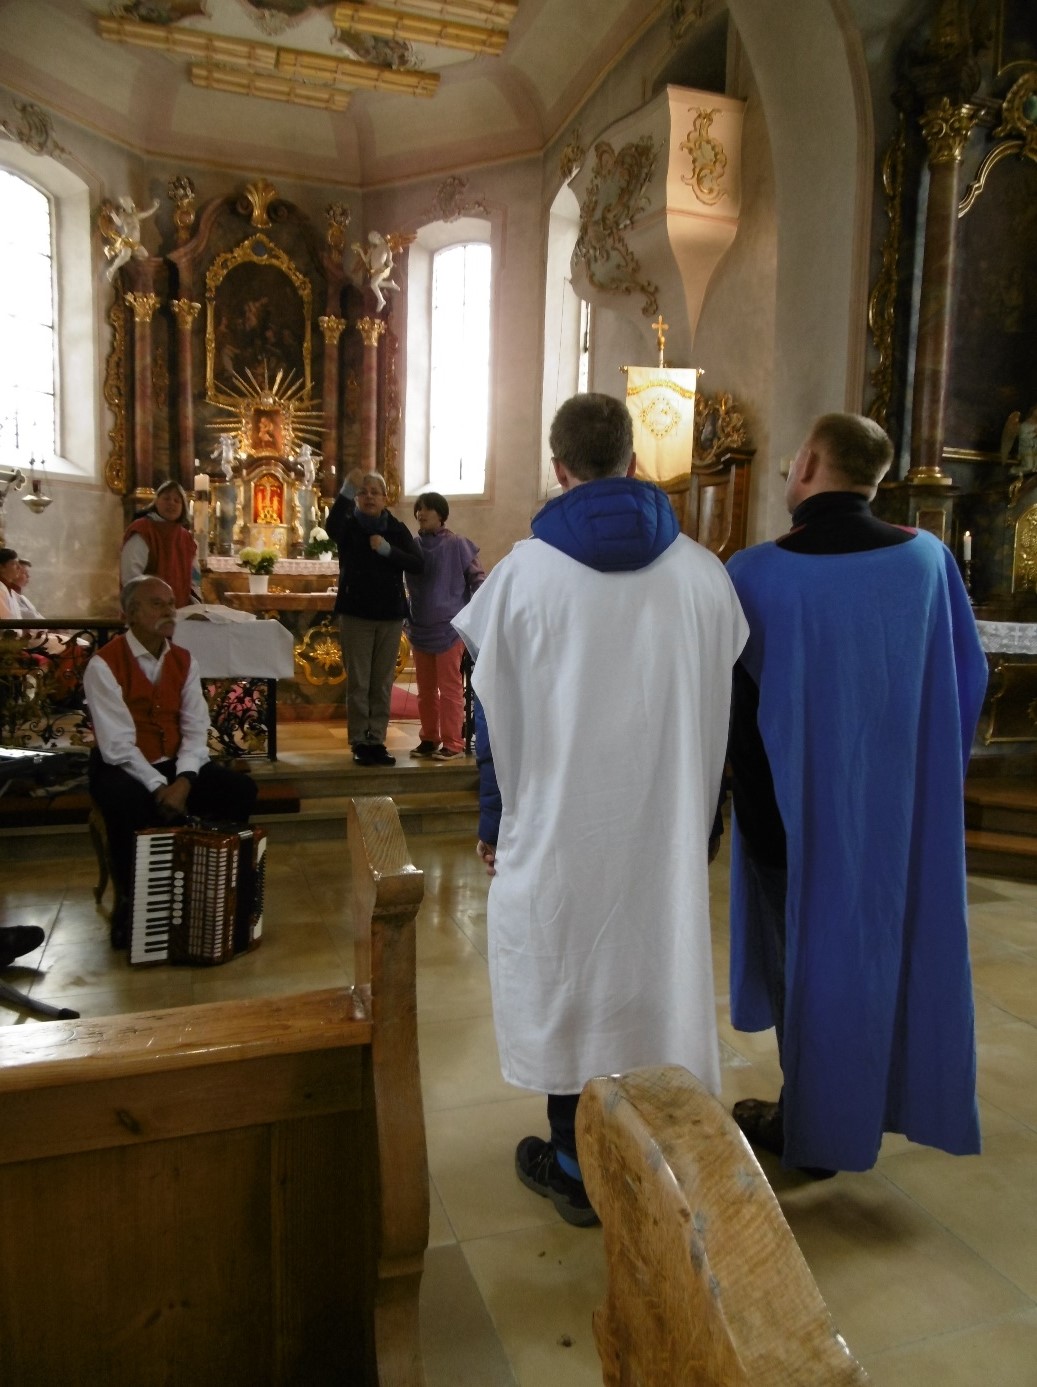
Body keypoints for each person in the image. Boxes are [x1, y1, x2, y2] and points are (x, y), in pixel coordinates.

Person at [452, 392, 747, 1226]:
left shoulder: (521, 577)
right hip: (663, 825)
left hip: (558, 826)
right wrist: (708, 816)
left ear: (559, 468)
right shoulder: (703, 571)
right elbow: (723, 705)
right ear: (632, 461)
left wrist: (493, 820)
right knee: (652, 972)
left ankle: (575, 1164)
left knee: (569, 972)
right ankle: (653, 1151)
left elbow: (487, 714)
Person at [725, 412, 988, 1178]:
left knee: (804, 967)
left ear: (808, 462)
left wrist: (746, 812)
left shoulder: (754, 572)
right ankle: (868, 1102)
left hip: (786, 819)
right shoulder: (927, 561)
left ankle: (810, 1123)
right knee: (879, 955)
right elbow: (964, 681)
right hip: (898, 817)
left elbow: (733, 712)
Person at [84, 575, 258, 948]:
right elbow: (117, 744)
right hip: (123, 765)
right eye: (157, 604)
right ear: (132, 613)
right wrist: (158, 785)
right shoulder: (104, 664)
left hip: (176, 764)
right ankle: (132, 904)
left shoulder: (183, 660)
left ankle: (220, 889)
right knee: (127, 803)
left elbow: (195, 728)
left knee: (239, 790)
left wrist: (184, 779)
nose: (169, 611)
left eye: (170, 604)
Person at [326, 471, 424, 766]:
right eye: (363, 491)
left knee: (381, 682)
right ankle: (360, 740)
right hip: (356, 613)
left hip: (389, 614)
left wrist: (387, 550)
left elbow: (417, 563)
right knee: (359, 682)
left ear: (385, 498)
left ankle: (377, 740)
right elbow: (331, 527)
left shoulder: (395, 528)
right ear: (356, 498)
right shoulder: (349, 525)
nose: (369, 496)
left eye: (375, 492)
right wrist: (346, 489)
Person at [405, 491, 484, 760]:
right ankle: (429, 738)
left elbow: (478, 581)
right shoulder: (413, 546)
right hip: (420, 627)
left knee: (450, 689)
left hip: (449, 629)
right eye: (418, 509)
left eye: (427, 508)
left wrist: (474, 617)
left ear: (441, 514)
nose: (421, 513)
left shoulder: (458, 544)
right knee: (425, 690)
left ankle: (453, 743)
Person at [121, 478, 201, 608]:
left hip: (180, 612)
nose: (171, 503)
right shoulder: (143, 530)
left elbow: (194, 578)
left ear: (183, 507)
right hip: (147, 611)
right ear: (156, 501)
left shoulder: (186, 538)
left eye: (177, 500)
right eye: (166, 498)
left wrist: (195, 606)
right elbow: (131, 575)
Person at [0, 548, 20, 620]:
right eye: (14, 564)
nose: (19, 567)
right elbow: (6, 620)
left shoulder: (12, 592)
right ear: (1, 567)